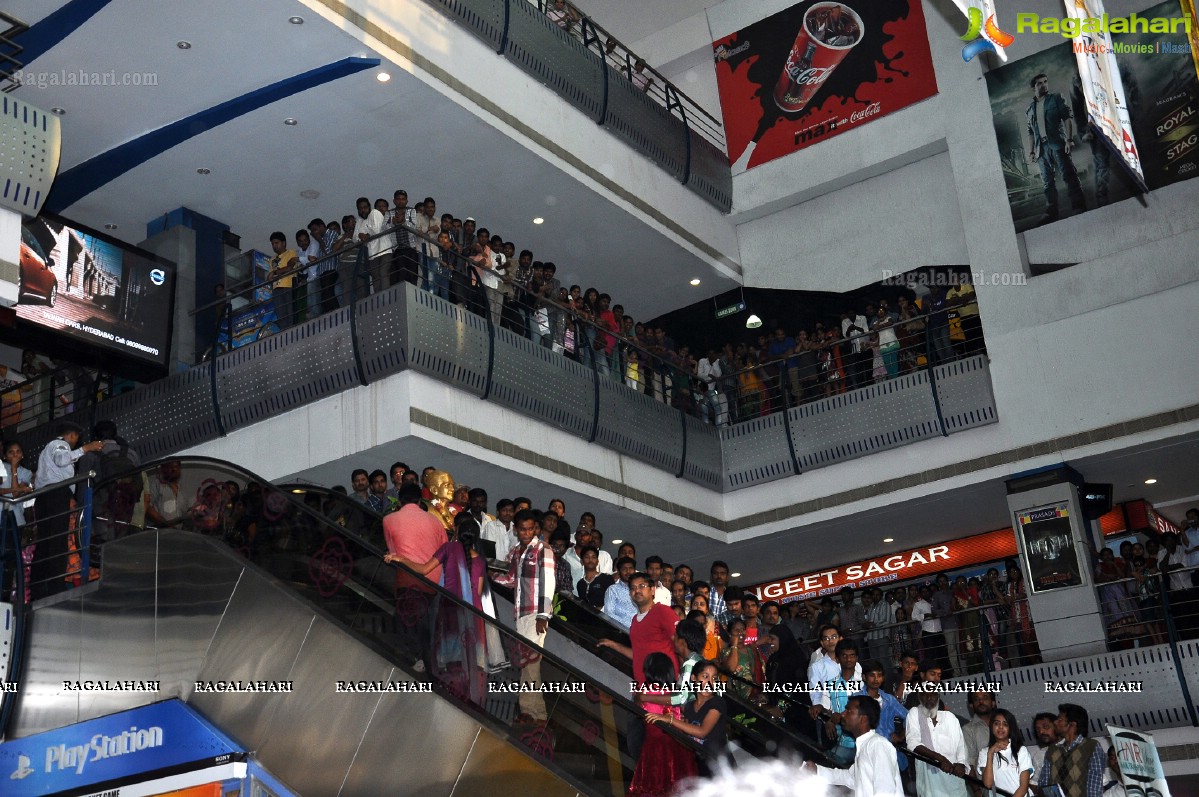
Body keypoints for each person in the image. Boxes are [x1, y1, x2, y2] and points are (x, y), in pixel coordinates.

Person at [386, 529, 501, 705]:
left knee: (449, 659)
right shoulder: (479, 559)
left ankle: (446, 698)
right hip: (473, 617)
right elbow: (478, 592)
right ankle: (467, 703)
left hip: (450, 612)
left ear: (457, 532)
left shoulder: (448, 548)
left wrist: (401, 559)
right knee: (469, 663)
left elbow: (424, 569)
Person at [597, 571, 679, 760]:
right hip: (641, 690)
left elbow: (679, 644)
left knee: (662, 744)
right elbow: (639, 655)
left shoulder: (662, 611)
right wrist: (615, 645)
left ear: (652, 590)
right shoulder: (635, 621)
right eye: (633, 588)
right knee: (637, 744)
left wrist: (682, 677)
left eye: (642, 586)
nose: (637, 591)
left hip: (662, 689)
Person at [492, 509, 556, 726]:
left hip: (535, 614)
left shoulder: (543, 550)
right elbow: (511, 579)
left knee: (529, 663)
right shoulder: (517, 552)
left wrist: (543, 615)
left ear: (535, 529)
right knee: (531, 664)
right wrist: (491, 576)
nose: (527, 532)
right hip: (521, 614)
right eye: (523, 529)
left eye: (531, 529)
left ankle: (528, 710)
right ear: (517, 530)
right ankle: (539, 714)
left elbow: (549, 582)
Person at [32, 422, 104, 598]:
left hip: (44, 497)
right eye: (77, 438)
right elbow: (62, 459)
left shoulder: (47, 449)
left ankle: (39, 588)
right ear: (72, 435)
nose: (76, 442)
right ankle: (54, 588)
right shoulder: (59, 445)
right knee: (57, 543)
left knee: (45, 544)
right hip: (56, 495)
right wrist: (85, 449)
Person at [383, 483, 448, 674]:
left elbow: (392, 552)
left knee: (407, 620)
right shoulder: (435, 522)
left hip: (407, 577)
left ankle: (417, 658)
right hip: (433, 580)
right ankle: (430, 662)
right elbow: (444, 550)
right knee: (427, 621)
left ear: (400, 500)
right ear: (420, 501)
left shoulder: (389, 519)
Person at [627, 652, 698, 796]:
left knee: (653, 788)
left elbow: (637, 713)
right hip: (678, 746)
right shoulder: (675, 693)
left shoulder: (643, 692)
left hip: (654, 748)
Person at [646, 659, 732, 776]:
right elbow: (689, 744)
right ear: (693, 678)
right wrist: (670, 728)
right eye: (705, 676)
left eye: (714, 678)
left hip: (722, 767)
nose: (710, 682)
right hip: (703, 768)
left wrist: (672, 720)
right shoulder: (690, 707)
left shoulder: (717, 703)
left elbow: (702, 732)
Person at [814, 695, 904, 797]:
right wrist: (817, 770)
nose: (843, 714)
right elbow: (851, 777)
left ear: (863, 719)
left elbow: (885, 792)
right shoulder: (865, 745)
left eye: (848, 711)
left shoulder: (878, 745)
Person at [1026, 72, 1086, 223]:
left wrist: (1069, 139)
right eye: (1039, 83)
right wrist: (1032, 151)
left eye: (1045, 81)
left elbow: (1067, 117)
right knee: (1047, 182)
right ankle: (1051, 212)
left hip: (1057, 144)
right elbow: (1031, 132)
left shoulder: (1056, 98)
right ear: (1034, 87)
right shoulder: (1030, 109)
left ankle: (1079, 206)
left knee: (1068, 175)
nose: (1044, 85)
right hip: (1041, 149)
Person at [906, 683, 968, 797]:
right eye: (925, 694)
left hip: (953, 782)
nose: (929, 698)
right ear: (919, 697)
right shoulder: (914, 713)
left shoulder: (950, 717)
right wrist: (941, 759)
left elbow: (961, 746)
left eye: (933, 694)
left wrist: (961, 764)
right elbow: (912, 743)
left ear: (938, 696)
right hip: (930, 786)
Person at [1038, 703, 1105, 797]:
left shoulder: (1092, 747)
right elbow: (1044, 783)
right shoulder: (1052, 750)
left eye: (1060, 719)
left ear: (1072, 724)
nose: (1055, 722)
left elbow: (1094, 787)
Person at [978, 708, 1033, 797]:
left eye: (1005, 724)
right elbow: (988, 784)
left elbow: (1023, 787)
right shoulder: (984, 753)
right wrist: (990, 754)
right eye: (996, 723)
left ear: (1011, 728)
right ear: (991, 726)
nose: (1000, 727)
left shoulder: (1021, 750)